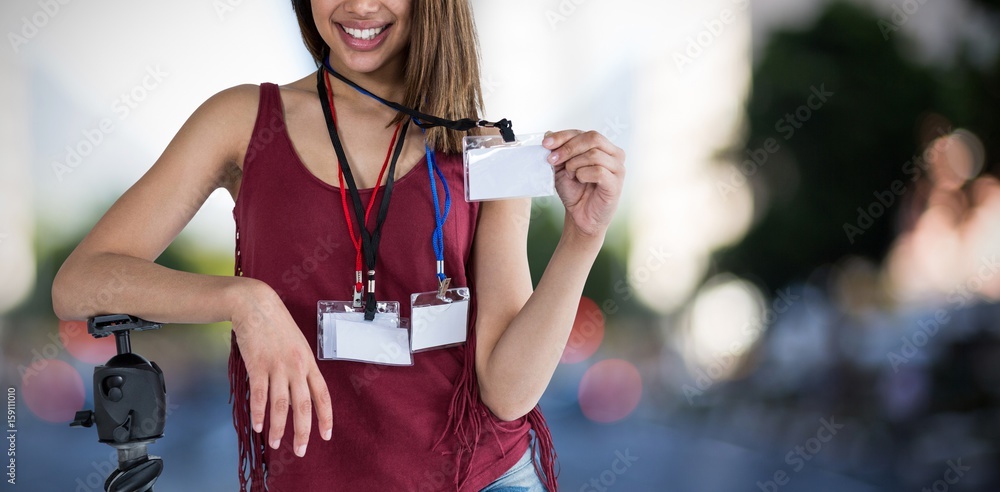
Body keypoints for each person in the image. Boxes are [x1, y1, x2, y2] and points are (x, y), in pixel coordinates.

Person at [51, 0, 625, 490]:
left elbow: (506, 393)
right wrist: (244, 301)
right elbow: (80, 283)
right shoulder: (242, 120)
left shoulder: (482, 144)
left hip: (484, 478)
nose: (358, 5)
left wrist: (583, 237)